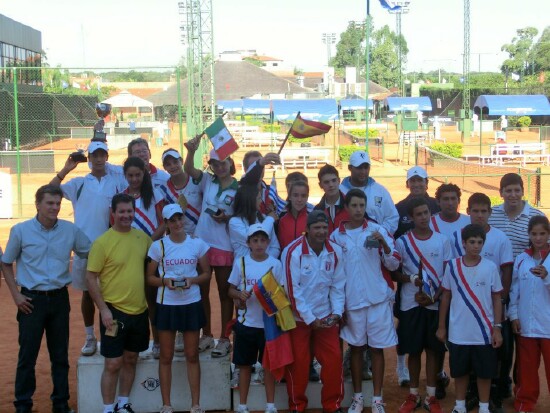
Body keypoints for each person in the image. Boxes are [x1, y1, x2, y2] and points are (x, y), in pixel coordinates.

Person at [2, 185, 91, 413]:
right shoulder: (21, 230)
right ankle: (23, 405)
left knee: (60, 355)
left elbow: (90, 251)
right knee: (27, 356)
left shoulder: (70, 231)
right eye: (50, 203)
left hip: (60, 299)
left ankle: (60, 404)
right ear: (38, 205)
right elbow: (6, 262)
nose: (54, 207)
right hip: (30, 301)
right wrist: (15, 295)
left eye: (58, 203)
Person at [50, 141, 126, 357]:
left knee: (112, 294)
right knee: (87, 294)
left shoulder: (117, 182)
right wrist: (66, 169)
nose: (99, 159)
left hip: (112, 247)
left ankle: (111, 335)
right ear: (89, 159)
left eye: (102, 155)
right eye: (95, 155)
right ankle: (90, 336)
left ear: (107, 157)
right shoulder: (78, 183)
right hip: (84, 248)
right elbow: (50, 190)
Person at [330, 189, 400, 413]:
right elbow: (334, 273)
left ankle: (377, 399)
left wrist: (385, 245)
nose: (358, 210)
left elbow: (394, 263)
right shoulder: (336, 236)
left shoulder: (378, 230)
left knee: (377, 350)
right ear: (347, 208)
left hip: (378, 299)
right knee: (357, 349)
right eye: (354, 206)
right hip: (353, 303)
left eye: (362, 206)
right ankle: (358, 398)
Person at [86, 193, 153, 413]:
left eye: (129, 211)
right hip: (113, 313)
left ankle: (123, 404)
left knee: (131, 358)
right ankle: (108, 409)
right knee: (113, 363)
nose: (126, 215)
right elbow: (90, 277)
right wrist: (103, 309)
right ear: (113, 213)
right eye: (121, 211)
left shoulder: (143, 239)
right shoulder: (102, 242)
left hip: (140, 311)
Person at [450, 193, 514, 411]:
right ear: (468, 211)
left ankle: (492, 397)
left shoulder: (500, 238)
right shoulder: (457, 237)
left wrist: (502, 300)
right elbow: (451, 276)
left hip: (490, 309)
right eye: (475, 211)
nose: (479, 215)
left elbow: (506, 270)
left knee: (494, 357)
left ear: (490, 212)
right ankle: (468, 397)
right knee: (465, 362)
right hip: (464, 313)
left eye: (483, 211)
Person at [146, 204, 211, 413]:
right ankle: (166, 405)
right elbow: (149, 278)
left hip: (191, 303)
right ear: (165, 223)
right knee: (166, 356)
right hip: (167, 305)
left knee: (192, 355)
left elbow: (206, 274)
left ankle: (196, 405)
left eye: (179, 219)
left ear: (183, 219)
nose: (176, 223)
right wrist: (166, 282)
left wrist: (191, 280)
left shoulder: (197, 244)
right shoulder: (158, 247)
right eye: (171, 220)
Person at [282, 210, 345, 413]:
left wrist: (336, 313)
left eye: (324, 227)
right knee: (299, 365)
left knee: (334, 361)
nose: (321, 231)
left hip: (326, 317)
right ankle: (297, 406)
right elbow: (293, 292)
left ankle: (332, 405)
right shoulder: (293, 252)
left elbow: (337, 286)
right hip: (300, 319)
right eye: (316, 227)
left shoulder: (336, 251)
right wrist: (310, 319)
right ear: (307, 229)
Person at [488, 173, 544, 400]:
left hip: (523, 289)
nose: (512, 195)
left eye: (516, 190)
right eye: (508, 190)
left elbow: (542, 251)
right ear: (501, 192)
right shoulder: (492, 216)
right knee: (500, 341)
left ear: (523, 191)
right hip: (495, 288)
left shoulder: (536, 216)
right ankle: (499, 384)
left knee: (521, 341)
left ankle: (520, 386)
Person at [437, 224, 504, 413]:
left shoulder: (490, 267)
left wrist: (497, 328)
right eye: (472, 242)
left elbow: (497, 298)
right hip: (458, 331)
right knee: (460, 371)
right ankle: (459, 406)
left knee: (484, 372)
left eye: (480, 242)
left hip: (484, 331)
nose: (476, 246)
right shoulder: (452, 266)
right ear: (463, 243)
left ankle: (484, 407)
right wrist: (442, 326)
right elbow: (446, 297)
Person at [393, 197, 451, 413]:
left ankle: (432, 397)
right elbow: (394, 273)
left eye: (426, 213)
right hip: (411, 305)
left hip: (434, 305)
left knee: (434, 352)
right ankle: (414, 395)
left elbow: (447, 276)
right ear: (411, 217)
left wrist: (434, 298)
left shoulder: (443, 241)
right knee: (414, 352)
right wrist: (411, 279)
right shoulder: (402, 242)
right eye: (418, 214)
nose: (424, 217)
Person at [185, 138, 238, 357]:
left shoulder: (239, 187)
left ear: (230, 162)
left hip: (224, 245)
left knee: (225, 294)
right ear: (211, 166)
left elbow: (241, 214)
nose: (220, 166)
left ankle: (225, 338)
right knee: (202, 292)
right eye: (215, 163)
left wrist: (228, 217)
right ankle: (206, 335)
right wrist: (191, 151)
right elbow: (188, 169)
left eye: (224, 162)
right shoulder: (207, 181)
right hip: (202, 244)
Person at [228, 223, 283, 413]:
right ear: (248, 243)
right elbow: (230, 289)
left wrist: (270, 297)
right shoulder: (241, 262)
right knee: (244, 366)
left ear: (268, 242)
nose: (259, 244)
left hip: (269, 326)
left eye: (262, 240)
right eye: (255, 240)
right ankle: (242, 406)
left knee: (268, 367)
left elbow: (281, 293)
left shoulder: (275, 264)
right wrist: (239, 295)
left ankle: (270, 406)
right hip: (246, 324)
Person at [122, 156, 165, 359]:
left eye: (138, 174)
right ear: (125, 176)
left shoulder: (155, 193)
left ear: (144, 173)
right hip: (129, 255)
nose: (134, 179)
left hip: (152, 255)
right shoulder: (122, 196)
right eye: (130, 175)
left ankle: (157, 341)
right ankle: (132, 342)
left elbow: (164, 223)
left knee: (153, 300)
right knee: (132, 299)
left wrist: (147, 241)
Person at [509, 215, 550, 413]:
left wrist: (547, 277)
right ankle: (525, 401)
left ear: (548, 234)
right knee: (526, 368)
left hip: (548, 325)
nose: (538, 238)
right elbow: (514, 290)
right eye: (534, 233)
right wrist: (514, 315)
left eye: (542, 233)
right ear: (529, 235)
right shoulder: (521, 259)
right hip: (527, 324)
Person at [340, 150, 399, 235]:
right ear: (350, 168)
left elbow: (392, 217)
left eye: (366, 167)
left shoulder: (380, 191)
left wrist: (380, 234)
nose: (363, 171)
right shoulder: (339, 191)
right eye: (359, 167)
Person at [159, 148, 203, 235]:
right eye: (168, 164)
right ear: (164, 167)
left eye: (175, 162)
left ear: (182, 161)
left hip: (202, 233)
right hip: (181, 237)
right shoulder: (163, 190)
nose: (173, 166)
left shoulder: (196, 181)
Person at [229, 184, 280, 259]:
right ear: (250, 201)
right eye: (259, 198)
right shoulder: (234, 222)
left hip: (266, 268)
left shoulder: (264, 218)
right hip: (245, 268)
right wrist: (270, 219)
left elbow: (275, 247)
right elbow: (253, 237)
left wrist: (266, 261)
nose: (261, 202)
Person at [394, 166, 440, 241]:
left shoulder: (438, 205)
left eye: (420, 180)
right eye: (412, 181)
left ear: (426, 182)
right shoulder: (398, 208)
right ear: (407, 184)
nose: (416, 184)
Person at [314, 164, 349, 234]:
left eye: (334, 180)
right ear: (320, 185)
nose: (331, 185)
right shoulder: (317, 211)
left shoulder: (351, 204)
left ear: (339, 181)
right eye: (326, 182)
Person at [278, 180, 310, 250]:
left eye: (303, 196)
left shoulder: (312, 219)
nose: (299, 199)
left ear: (307, 197)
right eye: (295, 195)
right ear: (289, 196)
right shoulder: (281, 220)